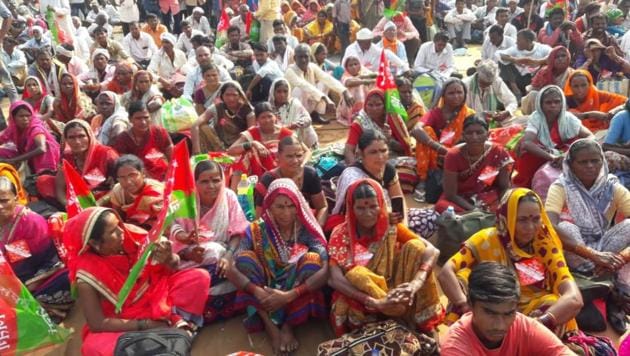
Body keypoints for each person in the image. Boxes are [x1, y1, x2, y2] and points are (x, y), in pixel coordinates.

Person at [63, 207, 210, 355]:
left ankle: (169, 329)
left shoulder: (132, 235)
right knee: (92, 347)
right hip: (123, 318)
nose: (121, 231)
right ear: (95, 243)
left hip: (155, 295)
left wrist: (169, 257)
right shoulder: (87, 274)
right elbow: (97, 323)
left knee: (199, 278)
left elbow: (173, 266)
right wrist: (145, 325)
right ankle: (170, 332)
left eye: (119, 224)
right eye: (113, 231)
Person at [439, 188, 583, 336]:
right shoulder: (485, 241)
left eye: (535, 219)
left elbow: (574, 297)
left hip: (532, 314)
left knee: (555, 303)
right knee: (463, 278)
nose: (530, 227)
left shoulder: (545, 246)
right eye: (522, 220)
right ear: (507, 218)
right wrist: (465, 305)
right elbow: (446, 272)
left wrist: (541, 322)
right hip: (490, 307)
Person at [327, 178, 444, 335]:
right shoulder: (341, 234)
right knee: (357, 274)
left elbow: (432, 250)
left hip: (395, 288)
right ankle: (395, 315)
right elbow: (334, 279)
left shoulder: (389, 226)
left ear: (381, 204)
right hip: (362, 297)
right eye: (360, 208)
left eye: (373, 206)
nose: (368, 214)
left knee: (415, 247)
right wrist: (376, 302)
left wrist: (414, 285)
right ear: (351, 208)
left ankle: (415, 318)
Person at [228, 178, 329, 355]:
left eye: (291, 206)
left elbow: (326, 265)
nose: (286, 213)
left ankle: (288, 325)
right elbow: (232, 266)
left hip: (293, 288)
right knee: (244, 260)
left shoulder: (305, 229)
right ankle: (270, 325)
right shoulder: (257, 229)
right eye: (280, 207)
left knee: (313, 261)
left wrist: (290, 295)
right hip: (265, 288)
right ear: (269, 207)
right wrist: (257, 291)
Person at [546, 139, 630, 333]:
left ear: (603, 161)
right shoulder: (561, 187)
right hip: (577, 252)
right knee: (567, 227)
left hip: (605, 250)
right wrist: (592, 255)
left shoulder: (612, 186)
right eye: (583, 162)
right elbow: (549, 224)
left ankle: (603, 283)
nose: (590, 166)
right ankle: (609, 290)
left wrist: (621, 258)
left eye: (595, 161)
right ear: (570, 164)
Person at [170, 160, 249, 322]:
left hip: (227, 255)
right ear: (195, 182)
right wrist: (188, 252)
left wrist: (228, 256)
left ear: (222, 179)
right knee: (212, 252)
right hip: (193, 260)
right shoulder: (185, 202)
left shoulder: (229, 196)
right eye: (204, 181)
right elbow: (173, 232)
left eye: (216, 180)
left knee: (245, 261)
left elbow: (238, 230)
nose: (211, 186)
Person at [441, 262, 574, 355]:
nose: (500, 325)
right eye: (490, 313)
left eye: (508, 314)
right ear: (470, 305)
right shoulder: (456, 347)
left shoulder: (522, 325)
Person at [0, 176, 73, 321]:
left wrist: (11, 289)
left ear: (16, 198)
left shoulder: (30, 223)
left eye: (4, 201)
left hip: (35, 276)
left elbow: (39, 264)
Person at [513, 85, 593, 187]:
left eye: (557, 102)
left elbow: (590, 136)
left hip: (566, 153)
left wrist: (569, 154)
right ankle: (528, 186)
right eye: (548, 102)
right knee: (527, 155)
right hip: (544, 153)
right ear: (540, 104)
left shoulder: (569, 118)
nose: (553, 105)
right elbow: (527, 142)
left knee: (584, 151)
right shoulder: (536, 118)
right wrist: (552, 157)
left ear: (562, 103)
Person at [412, 78, 475, 198]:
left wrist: (453, 153)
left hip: (461, 155)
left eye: (459, 92)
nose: (456, 96)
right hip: (437, 156)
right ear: (443, 96)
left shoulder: (469, 114)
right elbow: (415, 130)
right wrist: (441, 149)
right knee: (426, 131)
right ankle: (423, 179)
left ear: (465, 94)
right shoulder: (435, 113)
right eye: (451, 93)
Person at [435, 115, 512, 213]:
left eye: (479, 133)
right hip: (460, 198)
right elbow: (451, 194)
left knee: (514, 203)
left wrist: (503, 205)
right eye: (469, 133)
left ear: (487, 134)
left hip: (488, 196)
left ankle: (479, 217)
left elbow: (504, 186)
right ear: (463, 135)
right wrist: (474, 210)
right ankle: (481, 217)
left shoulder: (498, 152)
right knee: (442, 207)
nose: (474, 137)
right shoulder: (453, 155)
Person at [254, 136, 327, 226]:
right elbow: (259, 217)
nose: (295, 161)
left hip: (306, 224)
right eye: (289, 156)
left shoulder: (309, 174)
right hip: (276, 227)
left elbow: (322, 207)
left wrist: (317, 229)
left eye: (299, 156)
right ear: (278, 157)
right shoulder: (268, 179)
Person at [285, 44, 354, 125]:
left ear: (310, 57)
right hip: (291, 107)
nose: (303, 60)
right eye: (300, 57)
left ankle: (316, 113)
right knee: (301, 89)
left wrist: (344, 91)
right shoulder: (290, 70)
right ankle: (300, 117)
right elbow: (304, 85)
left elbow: (327, 78)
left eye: (306, 57)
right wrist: (325, 98)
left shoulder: (312, 66)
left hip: (307, 102)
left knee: (324, 82)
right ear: (295, 58)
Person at [56, 119, 118, 204]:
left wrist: (99, 203)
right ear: (66, 139)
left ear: (89, 136)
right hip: (75, 200)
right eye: (71, 137)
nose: (77, 142)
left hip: (104, 200)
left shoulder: (106, 154)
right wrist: (69, 205)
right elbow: (59, 188)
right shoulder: (67, 157)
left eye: (81, 136)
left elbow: (120, 186)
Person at [228, 102, 295, 179]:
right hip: (255, 176)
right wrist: (252, 143)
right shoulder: (252, 133)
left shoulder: (286, 133)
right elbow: (230, 151)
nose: (267, 120)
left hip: (283, 173)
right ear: (257, 120)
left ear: (275, 117)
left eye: (270, 116)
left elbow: (306, 151)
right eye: (263, 117)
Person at [344, 89, 413, 165]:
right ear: (365, 106)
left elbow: (405, 147)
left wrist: (389, 139)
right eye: (370, 105)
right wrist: (354, 168)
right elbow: (349, 149)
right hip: (368, 162)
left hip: (392, 159)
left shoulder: (393, 119)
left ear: (384, 106)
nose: (374, 109)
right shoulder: (360, 122)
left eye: (378, 105)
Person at [112, 101, 173, 181]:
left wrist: (170, 177)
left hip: (166, 178)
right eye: (138, 118)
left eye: (146, 117)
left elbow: (172, 157)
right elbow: (126, 167)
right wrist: (151, 181)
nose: (143, 122)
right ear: (130, 119)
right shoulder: (122, 139)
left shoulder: (159, 132)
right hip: (139, 181)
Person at [191, 81, 256, 153]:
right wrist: (196, 150)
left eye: (234, 95)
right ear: (222, 96)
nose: (231, 98)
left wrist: (232, 149)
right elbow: (195, 125)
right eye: (227, 95)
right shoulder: (217, 108)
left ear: (240, 96)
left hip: (239, 147)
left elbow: (250, 134)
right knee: (203, 127)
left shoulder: (248, 111)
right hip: (219, 145)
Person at [0, 101, 60, 175]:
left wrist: (14, 160)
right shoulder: (13, 128)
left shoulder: (35, 128)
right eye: (21, 116)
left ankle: (45, 173)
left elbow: (41, 148)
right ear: (13, 117)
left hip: (44, 158)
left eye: (28, 115)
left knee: (47, 145)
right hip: (26, 154)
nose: (25, 119)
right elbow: (2, 138)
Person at [108, 154, 165, 231]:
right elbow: (119, 220)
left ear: (143, 173)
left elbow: (164, 221)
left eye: (132, 175)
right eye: (122, 177)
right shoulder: (118, 191)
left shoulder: (157, 191)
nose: (128, 182)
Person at [497, 29, 551, 99]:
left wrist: (537, 62)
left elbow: (554, 54)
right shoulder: (515, 49)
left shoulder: (542, 48)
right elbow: (498, 54)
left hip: (535, 80)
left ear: (528, 41)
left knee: (546, 66)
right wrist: (514, 60)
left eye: (519, 40)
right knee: (503, 63)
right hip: (519, 80)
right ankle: (516, 92)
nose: (516, 42)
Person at [268, 78, 318, 148]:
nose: (282, 95)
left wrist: (293, 125)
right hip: (277, 137)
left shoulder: (294, 103)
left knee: (307, 127)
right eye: (279, 92)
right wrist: (283, 129)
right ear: (273, 92)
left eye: (285, 91)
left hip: (295, 133)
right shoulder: (268, 108)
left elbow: (308, 119)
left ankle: (310, 147)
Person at [343, 28, 409, 75]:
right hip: (352, 76)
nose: (369, 44)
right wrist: (372, 74)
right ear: (359, 42)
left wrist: (404, 67)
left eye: (370, 42)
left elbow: (387, 53)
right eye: (366, 43)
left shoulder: (371, 46)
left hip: (369, 75)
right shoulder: (351, 49)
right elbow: (355, 67)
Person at [337, 55, 375, 127]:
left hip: (363, 105)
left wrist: (370, 78)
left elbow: (373, 75)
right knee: (356, 86)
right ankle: (354, 115)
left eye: (355, 64)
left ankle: (364, 112)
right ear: (346, 68)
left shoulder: (363, 73)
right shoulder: (345, 76)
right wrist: (365, 81)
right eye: (350, 65)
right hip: (349, 106)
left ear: (360, 65)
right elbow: (349, 83)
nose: (354, 67)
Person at [148, 32, 188, 98]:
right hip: (164, 83)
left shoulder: (180, 54)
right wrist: (162, 80)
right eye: (163, 42)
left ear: (172, 44)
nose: (164, 45)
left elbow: (186, 69)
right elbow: (150, 71)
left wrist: (179, 79)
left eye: (167, 42)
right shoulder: (157, 55)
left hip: (180, 83)